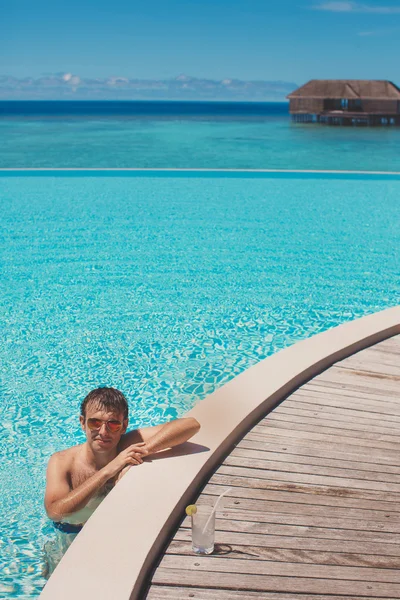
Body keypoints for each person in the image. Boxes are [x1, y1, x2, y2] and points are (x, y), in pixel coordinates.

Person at [42, 387, 200, 576]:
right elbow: (55, 512)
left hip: (112, 536)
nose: (104, 431)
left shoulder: (126, 444)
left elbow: (191, 425)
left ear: (123, 426)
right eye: (95, 422)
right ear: (82, 423)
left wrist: (144, 449)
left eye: (113, 424)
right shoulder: (62, 462)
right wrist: (109, 470)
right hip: (70, 539)